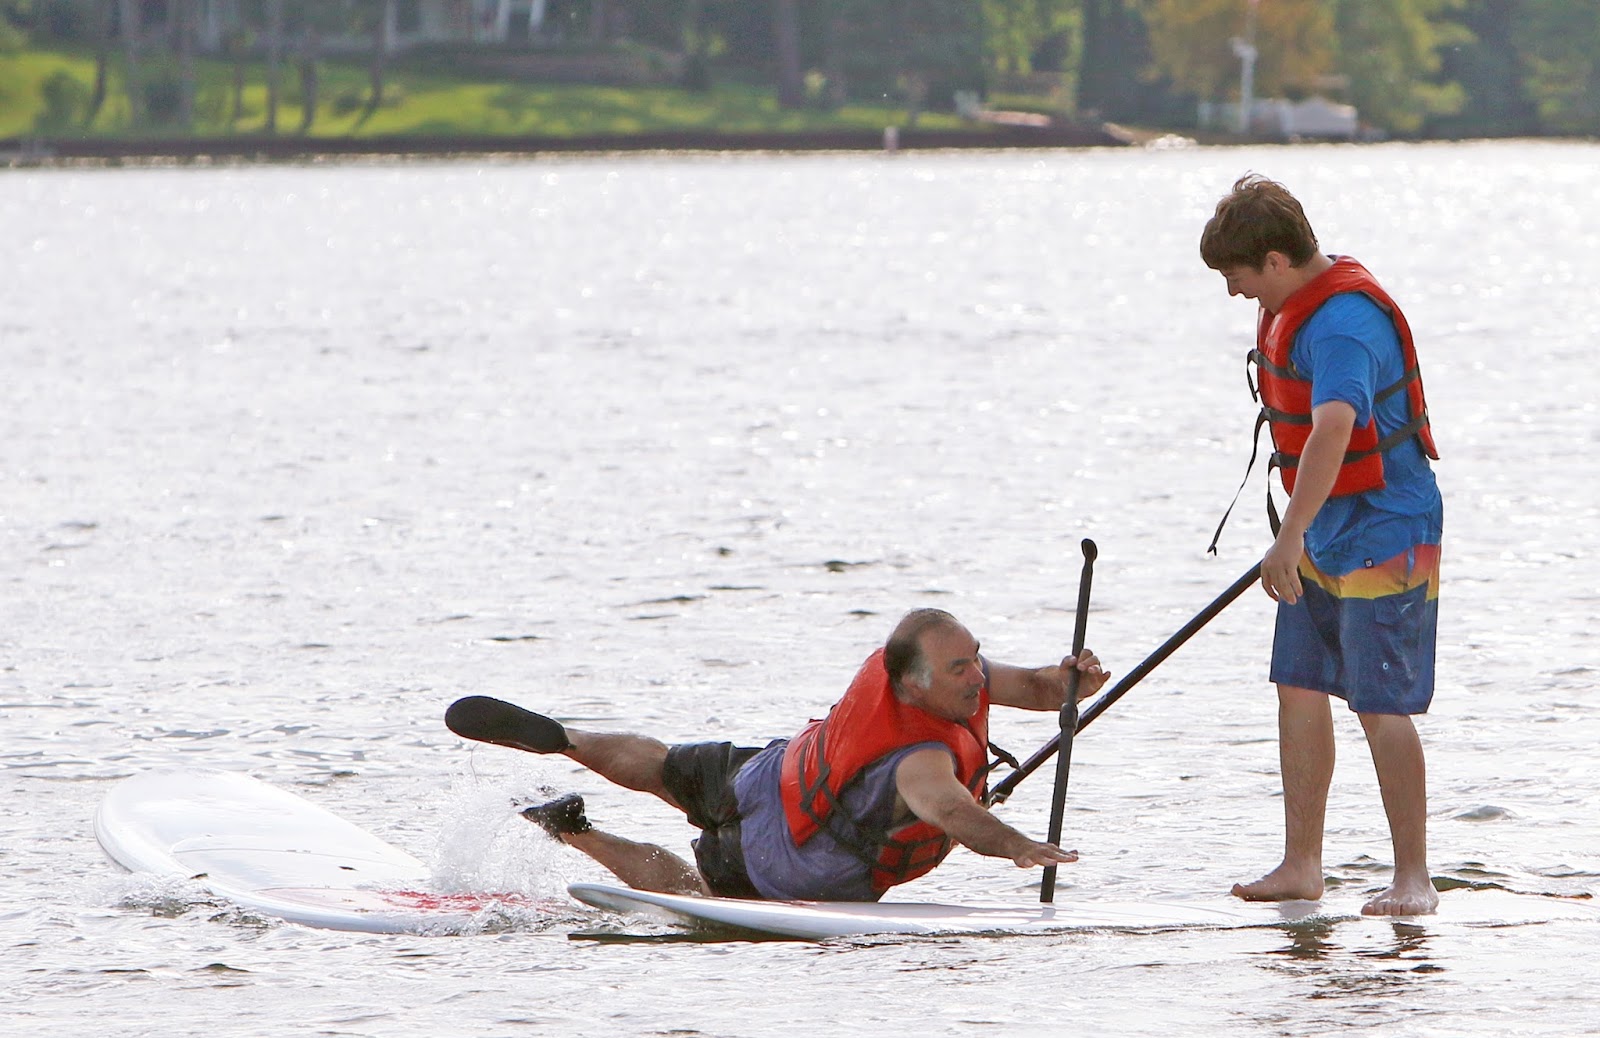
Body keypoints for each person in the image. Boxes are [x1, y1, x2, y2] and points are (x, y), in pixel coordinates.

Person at [445, 607, 1108, 901]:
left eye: (975, 659)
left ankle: (570, 742)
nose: (977, 678)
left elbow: (1045, 689)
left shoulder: (937, 675)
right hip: (787, 863)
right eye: (960, 668)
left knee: (667, 768)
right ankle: (576, 832)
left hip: (771, 778)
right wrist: (1019, 845)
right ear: (910, 684)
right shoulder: (921, 760)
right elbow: (955, 814)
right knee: (692, 890)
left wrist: (1072, 677)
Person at [1200, 174, 1443, 916]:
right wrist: (1300, 535)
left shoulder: (1341, 326)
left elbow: (1335, 427)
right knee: (1299, 686)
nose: (1235, 294)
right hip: (1323, 527)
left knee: (1378, 703)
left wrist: (1289, 535)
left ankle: (1414, 878)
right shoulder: (1294, 307)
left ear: (1275, 261)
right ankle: (1302, 865)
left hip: (1387, 526)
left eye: (1238, 277)